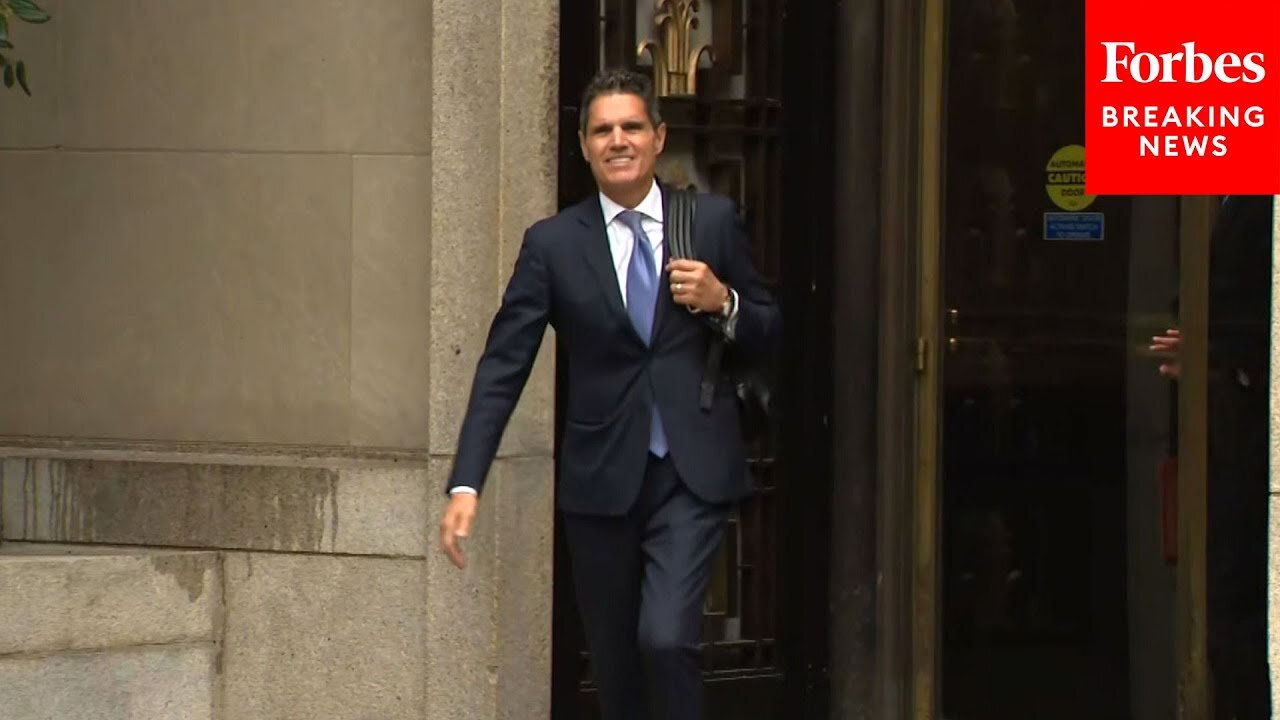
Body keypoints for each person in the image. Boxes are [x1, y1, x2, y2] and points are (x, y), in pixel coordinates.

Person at [437, 68, 782, 720]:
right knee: (618, 669)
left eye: (630, 127)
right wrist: (466, 482)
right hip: (601, 481)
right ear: (583, 145)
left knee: (667, 636)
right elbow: (503, 365)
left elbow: (770, 328)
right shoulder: (553, 245)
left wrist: (725, 300)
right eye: (602, 130)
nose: (617, 140)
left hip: (691, 469)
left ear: (658, 137)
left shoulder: (710, 223)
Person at [1149, 194, 1273, 720]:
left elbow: (1259, 316)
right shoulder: (1222, 198)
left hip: (1247, 434)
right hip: (1223, 428)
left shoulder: (1258, 201)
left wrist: (1213, 353)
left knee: (1233, 612)